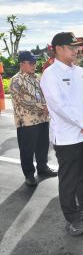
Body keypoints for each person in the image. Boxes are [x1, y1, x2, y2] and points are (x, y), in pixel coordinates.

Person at [40, 32, 83, 236]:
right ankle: (72, 218)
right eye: (71, 47)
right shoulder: (50, 75)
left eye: (76, 47)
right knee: (69, 179)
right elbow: (59, 106)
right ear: (58, 49)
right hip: (68, 137)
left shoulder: (81, 72)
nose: (76, 50)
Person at [9, 51, 57, 186]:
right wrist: (43, 107)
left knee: (43, 145)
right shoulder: (16, 80)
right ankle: (29, 174)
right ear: (22, 64)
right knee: (27, 149)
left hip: (42, 118)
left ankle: (42, 168)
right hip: (27, 121)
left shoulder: (36, 77)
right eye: (31, 63)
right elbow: (21, 101)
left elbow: (45, 94)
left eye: (35, 62)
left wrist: (48, 105)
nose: (34, 65)